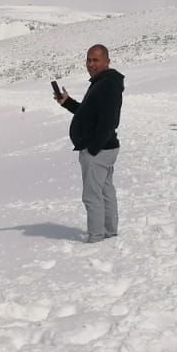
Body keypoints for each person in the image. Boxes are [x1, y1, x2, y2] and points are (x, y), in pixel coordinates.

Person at [53, 44, 124, 243]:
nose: (91, 64)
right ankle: (109, 233)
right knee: (105, 190)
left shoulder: (108, 84)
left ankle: (96, 237)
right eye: (88, 60)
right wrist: (67, 102)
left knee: (92, 195)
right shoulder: (102, 82)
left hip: (98, 150)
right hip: (105, 148)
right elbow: (88, 114)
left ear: (107, 61)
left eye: (96, 60)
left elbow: (110, 121)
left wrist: (93, 148)